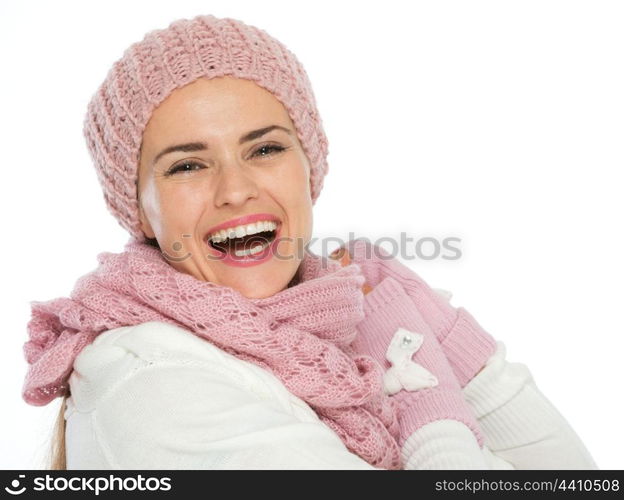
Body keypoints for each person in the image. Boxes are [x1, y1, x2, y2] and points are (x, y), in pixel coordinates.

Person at [22, 14, 598, 470]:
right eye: (188, 165)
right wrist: (431, 407)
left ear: (309, 166)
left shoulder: (341, 328)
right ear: (140, 209)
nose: (236, 190)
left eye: (266, 149)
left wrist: (443, 336)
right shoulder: (150, 379)